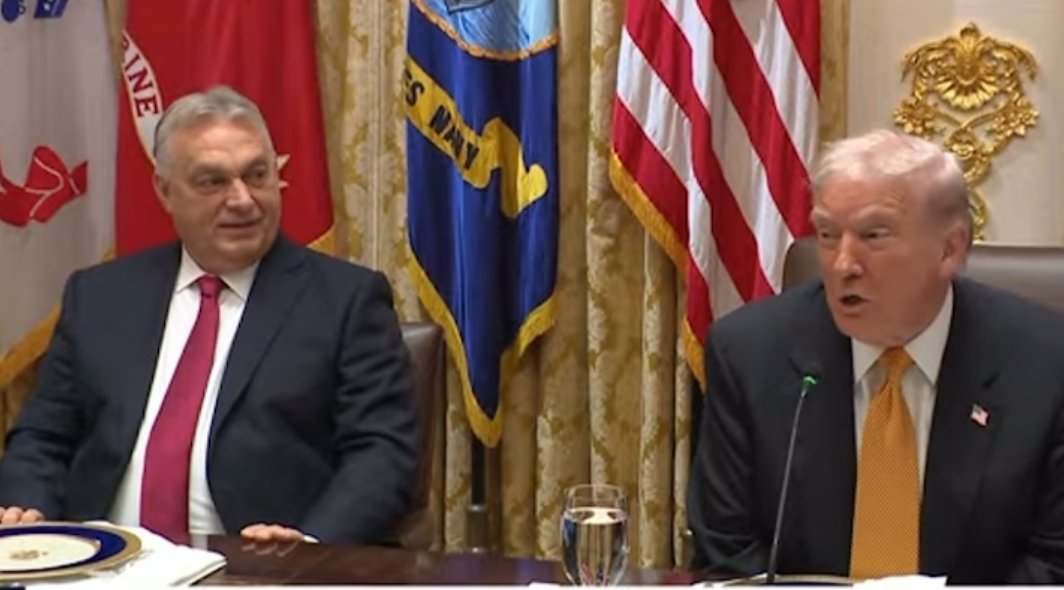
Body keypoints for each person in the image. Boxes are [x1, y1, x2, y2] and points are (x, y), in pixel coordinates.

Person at [0, 86, 419, 546]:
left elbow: (381, 453)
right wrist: (30, 512)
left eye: (257, 175)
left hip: (257, 568)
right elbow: (42, 437)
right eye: (213, 182)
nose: (242, 199)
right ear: (165, 191)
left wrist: (311, 544)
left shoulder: (346, 300)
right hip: (103, 562)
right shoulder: (100, 296)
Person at [687, 129, 1064, 584]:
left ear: (950, 248)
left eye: (873, 235)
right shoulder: (748, 354)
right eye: (827, 234)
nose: (843, 263)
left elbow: (1054, 563)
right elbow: (727, 554)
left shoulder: (1046, 363)